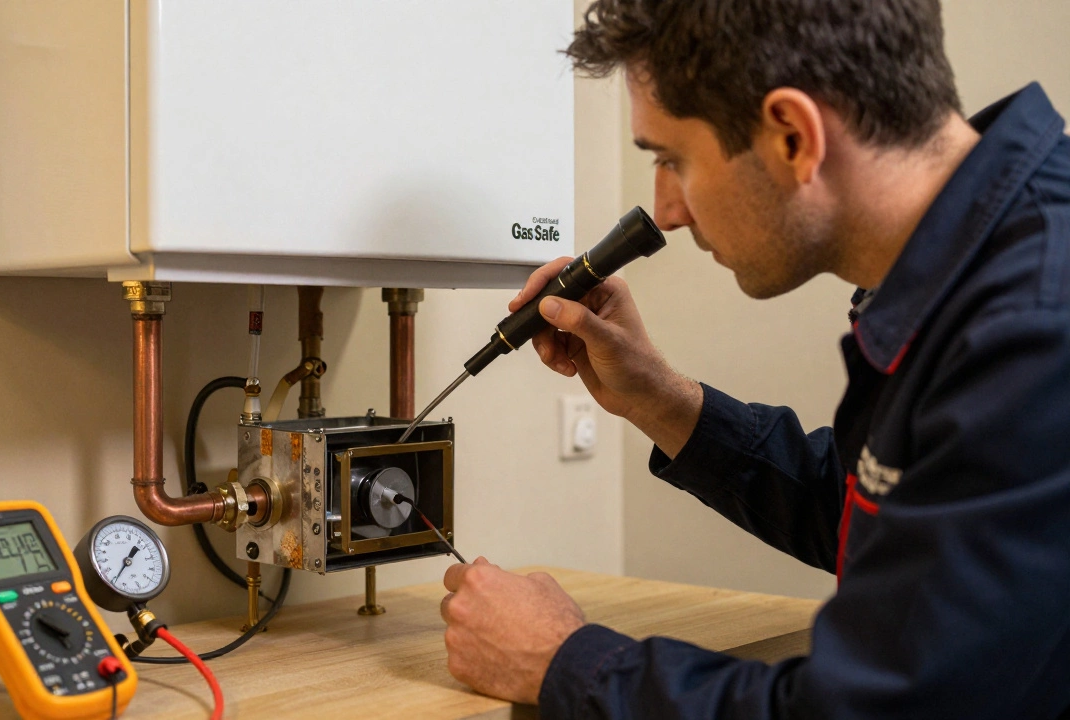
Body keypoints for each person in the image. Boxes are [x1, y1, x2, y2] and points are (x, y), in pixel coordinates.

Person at [439, 1, 1070, 717]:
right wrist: (658, 399)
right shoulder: (987, 268)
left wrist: (562, 661)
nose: (666, 212)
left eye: (671, 159)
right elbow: (893, 516)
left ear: (793, 136)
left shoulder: (1034, 322)